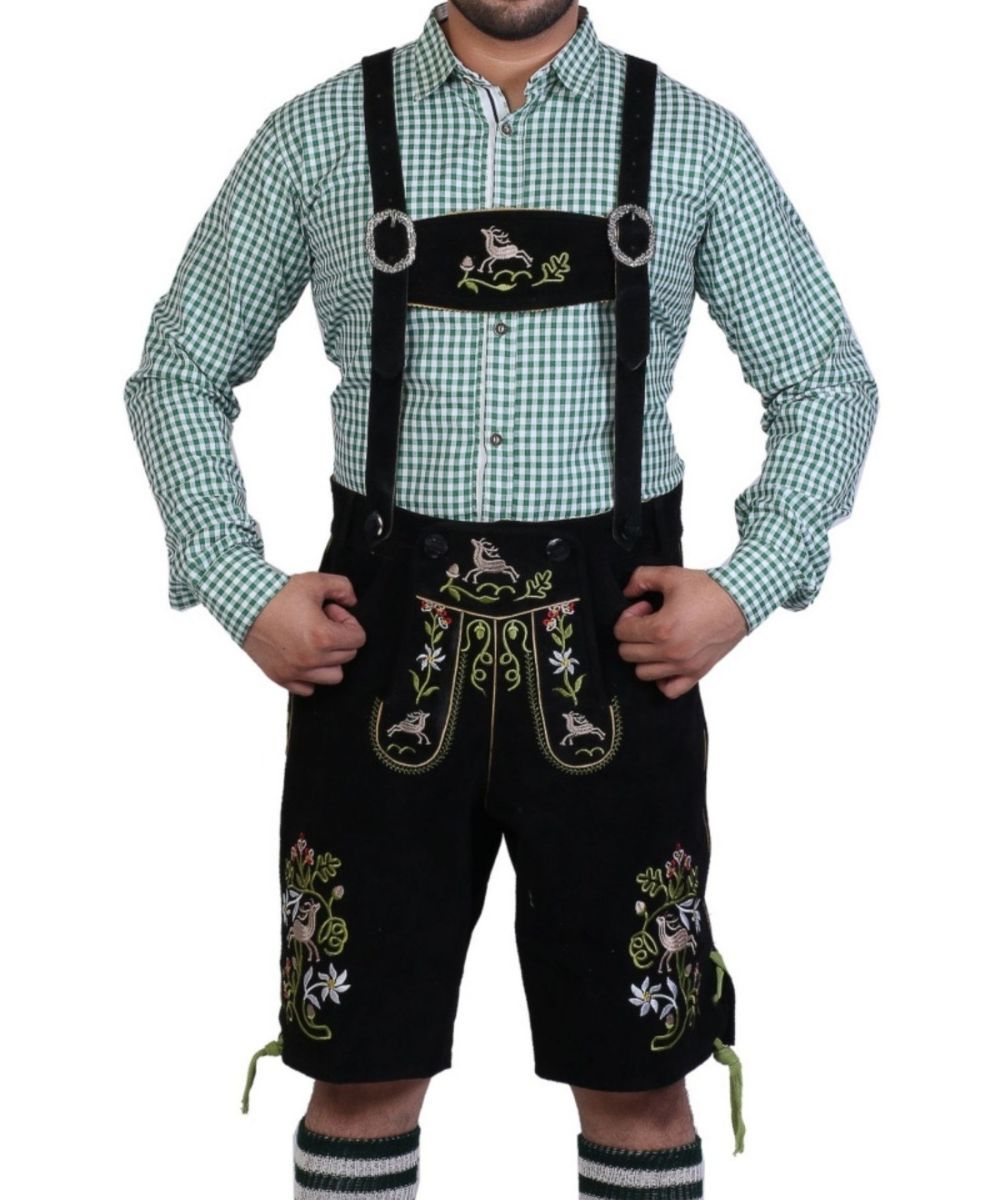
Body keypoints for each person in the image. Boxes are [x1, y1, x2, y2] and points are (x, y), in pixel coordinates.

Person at [123, 2, 878, 1196]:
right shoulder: (318, 131)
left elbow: (827, 380)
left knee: (638, 1072)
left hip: (618, 644)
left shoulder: (689, 136)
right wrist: (236, 584)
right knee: (359, 1064)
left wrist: (744, 588)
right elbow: (177, 370)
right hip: (375, 643)